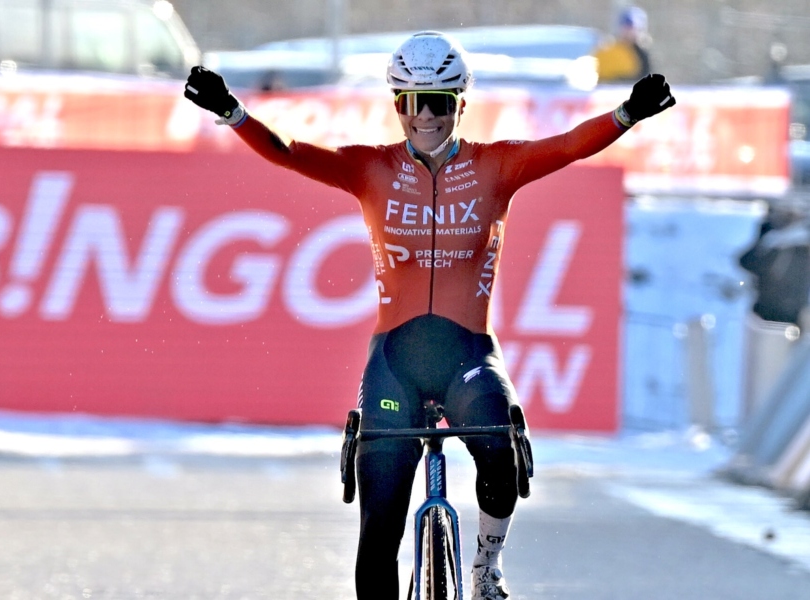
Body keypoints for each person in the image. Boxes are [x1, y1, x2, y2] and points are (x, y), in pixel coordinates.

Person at [184, 31, 675, 600]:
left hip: (468, 355)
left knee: (500, 447)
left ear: (461, 104)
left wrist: (628, 113)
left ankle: (486, 566)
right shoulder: (370, 169)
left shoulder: (497, 166)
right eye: (411, 102)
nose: (426, 117)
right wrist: (231, 111)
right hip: (395, 362)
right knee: (377, 537)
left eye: (439, 101)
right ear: (397, 106)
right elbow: (292, 153)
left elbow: (568, 145)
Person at [739, 203, 810, 326]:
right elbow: (747, 262)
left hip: (792, 311)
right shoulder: (770, 235)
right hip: (765, 310)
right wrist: (772, 244)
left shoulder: (803, 241)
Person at [595, 6, 652, 83]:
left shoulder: (643, 54)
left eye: (634, 28)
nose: (630, 32)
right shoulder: (608, 50)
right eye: (627, 27)